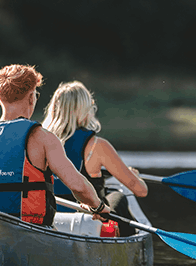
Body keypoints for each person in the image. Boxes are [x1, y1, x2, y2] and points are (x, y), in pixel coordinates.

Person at [0, 65, 106, 226]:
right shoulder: (43, 138)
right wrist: (98, 206)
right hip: (28, 227)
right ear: (32, 97)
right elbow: (77, 186)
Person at [42, 81, 148, 235]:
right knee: (118, 196)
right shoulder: (97, 145)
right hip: (87, 217)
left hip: (50, 214)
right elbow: (141, 191)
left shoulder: (40, 141)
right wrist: (135, 177)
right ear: (84, 109)